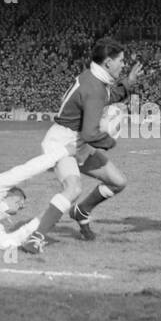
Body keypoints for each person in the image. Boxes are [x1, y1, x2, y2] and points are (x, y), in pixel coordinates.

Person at [30, 39, 142, 243]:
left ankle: (82, 211)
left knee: (118, 182)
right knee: (73, 188)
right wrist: (110, 141)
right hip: (62, 143)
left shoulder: (95, 79)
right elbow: (91, 134)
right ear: (108, 62)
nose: (123, 65)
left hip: (79, 142)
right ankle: (36, 236)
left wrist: (128, 82)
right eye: (121, 60)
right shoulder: (94, 87)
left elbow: (108, 97)